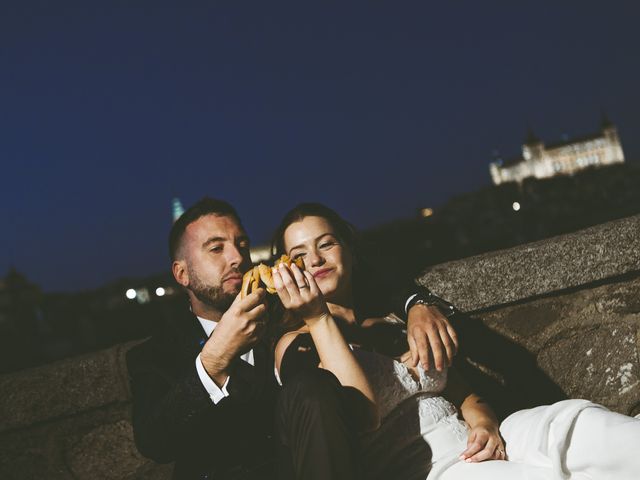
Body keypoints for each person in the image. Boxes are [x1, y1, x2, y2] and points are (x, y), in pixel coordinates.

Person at [271, 202, 640, 480]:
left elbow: (462, 391)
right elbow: (361, 415)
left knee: (581, 426)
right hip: (436, 469)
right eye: (299, 256)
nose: (315, 260)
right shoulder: (296, 344)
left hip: (481, 438)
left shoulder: (389, 321)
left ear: (348, 251)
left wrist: (484, 423)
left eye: (326, 244)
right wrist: (317, 316)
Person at [126, 197, 460, 480]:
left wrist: (415, 303)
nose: (238, 258)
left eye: (241, 244)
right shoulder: (154, 354)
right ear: (181, 273)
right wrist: (213, 358)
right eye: (216, 248)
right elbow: (155, 441)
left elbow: (356, 273)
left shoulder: (280, 308)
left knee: (309, 385)